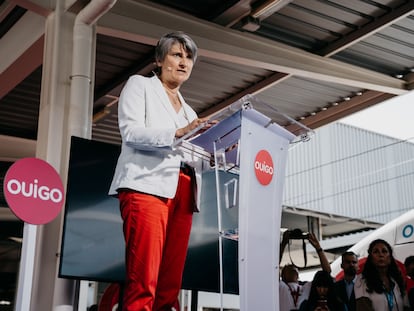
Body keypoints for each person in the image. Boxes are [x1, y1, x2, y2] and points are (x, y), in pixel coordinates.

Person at [108, 31, 212, 311]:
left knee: (169, 285)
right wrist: (179, 132)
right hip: (146, 187)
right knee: (143, 281)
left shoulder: (190, 112)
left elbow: (194, 156)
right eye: (177, 54)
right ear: (158, 59)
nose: (184, 62)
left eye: (189, 58)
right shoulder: (139, 85)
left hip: (185, 191)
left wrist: (215, 151)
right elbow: (131, 132)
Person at [279, 231, 331, 311]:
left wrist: (318, 247)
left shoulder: (306, 287)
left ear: (298, 275)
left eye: (294, 266)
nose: (292, 266)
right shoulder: (281, 286)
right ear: (282, 275)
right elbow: (273, 267)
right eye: (288, 266)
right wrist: (283, 244)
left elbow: (326, 273)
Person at [354, 239, 409, 311]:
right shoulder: (362, 280)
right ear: (371, 258)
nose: (381, 255)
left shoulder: (397, 279)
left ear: (390, 258)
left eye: (384, 251)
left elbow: (407, 306)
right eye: (376, 252)